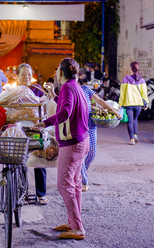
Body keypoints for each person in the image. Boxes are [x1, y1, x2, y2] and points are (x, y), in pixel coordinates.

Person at [33, 58, 89, 240]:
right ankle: (73, 222)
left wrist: (44, 123)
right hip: (81, 141)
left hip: (72, 143)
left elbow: (66, 112)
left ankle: (78, 228)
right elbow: (67, 105)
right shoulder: (75, 86)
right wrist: (54, 96)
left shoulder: (67, 87)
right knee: (74, 184)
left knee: (64, 184)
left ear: (60, 73)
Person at [78, 78, 121, 192]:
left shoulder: (86, 89)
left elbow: (99, 100)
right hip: (78, 125)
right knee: (81, 154)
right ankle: (83, 180)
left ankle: (81, 173)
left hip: (91, 124)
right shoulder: (69, 92)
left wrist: (114, 111)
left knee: (92, 152)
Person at [16, 63, 48, 205]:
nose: (27, 77)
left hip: (35, 129)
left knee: (39, 160)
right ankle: (23, 194)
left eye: (29, 74)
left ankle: (41, 194)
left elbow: (45, 108)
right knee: (21, 161)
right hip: (19, 129)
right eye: (23, 74)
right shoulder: (14, 91)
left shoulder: (38, 89)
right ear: (17, 77)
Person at [119, 61, 148, 145]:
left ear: (131, 69)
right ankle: (135, 134)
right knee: (135, 119)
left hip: (128, 104)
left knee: (130, 121)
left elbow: (122, 94)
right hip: (138, 105)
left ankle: (132, 139)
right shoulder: (141, 80)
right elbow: (144, 94)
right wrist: (146, 103)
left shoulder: (125, 79)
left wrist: (120, 104)